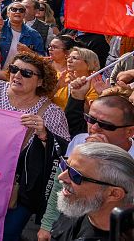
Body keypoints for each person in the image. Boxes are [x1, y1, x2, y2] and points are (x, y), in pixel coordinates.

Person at [0, 53, 70, 241]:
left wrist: (45, 135)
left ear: (40, 82)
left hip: (20, 187)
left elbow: (65, 154)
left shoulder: (52, 112)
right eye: (14, 69)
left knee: (7, 234)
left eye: (26, 73)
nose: (17, 75)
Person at [38, 90, 134, 239]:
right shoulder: (79, 140)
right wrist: (47, 224)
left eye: (106, 125)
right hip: (67, 225)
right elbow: (60, 184)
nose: (94, 128)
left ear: (129, 131)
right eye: (90, 119)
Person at [50, 143, 134, 241]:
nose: (61, 177)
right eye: (65, 165)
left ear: (114, 193)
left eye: (75, 175)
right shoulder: (79, 206)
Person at [0, 1, 46, 68]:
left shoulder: (33, 34)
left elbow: (42, 59)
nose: (17, 12)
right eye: (14, 9)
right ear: (8, 13)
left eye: (21, 10)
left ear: (24, 14)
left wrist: (28, 51)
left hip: (20, 74)